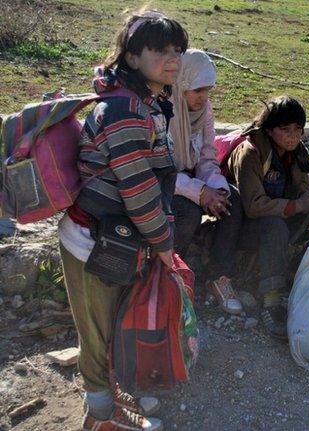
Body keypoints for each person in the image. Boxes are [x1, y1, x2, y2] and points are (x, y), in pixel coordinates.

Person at [57, 10, 188, 430]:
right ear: (132, 57)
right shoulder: (125, 111)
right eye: (160, 50)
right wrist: (165, 244)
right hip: (93, 242)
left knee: (110, 327)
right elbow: (138, 188)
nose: (173, 59)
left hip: (114, 239)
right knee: (96, 337)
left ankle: (109, 397)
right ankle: (99, 416)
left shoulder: (145, 104)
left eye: (177, 51)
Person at [227, 95, 309, 339]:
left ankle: (298, 279)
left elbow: (306, 185)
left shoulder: (296, 152)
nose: (292, 136)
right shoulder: (250, 152)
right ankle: (271, 300)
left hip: (280, 214)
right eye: (285, 130)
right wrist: (298, 205)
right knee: (274, 228)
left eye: (298, 130)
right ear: (270, 130)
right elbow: (254, 206)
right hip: (244, 226)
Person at [169, 48, 243, 315]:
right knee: (185, 212)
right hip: (165, 183)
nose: (203, 98)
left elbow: (207, 157)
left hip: (190, 178)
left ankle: (218, 277)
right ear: (181, 84)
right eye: (197, 90)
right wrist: (200, 192)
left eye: (208, 90)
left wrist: (216, 188)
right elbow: (160, 171)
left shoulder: (204, 111)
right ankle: (169, 276)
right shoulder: (164, 111)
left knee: (232, 200)